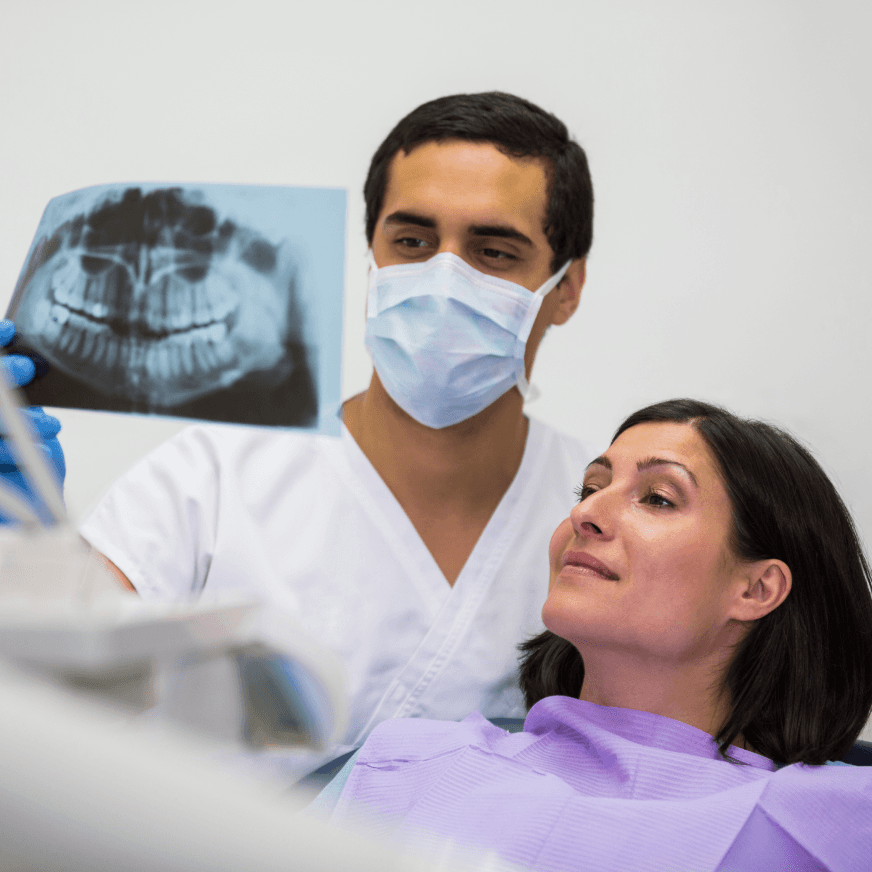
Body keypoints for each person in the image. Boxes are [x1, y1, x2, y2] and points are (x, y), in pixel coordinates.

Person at [1, 92, 595, 774]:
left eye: (493, 252)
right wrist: (25, 556)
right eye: (412, 242)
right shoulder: (211, 478)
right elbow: (44, 703)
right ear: (372, 256)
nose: (442, 278)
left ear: (566, 287)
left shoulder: (600, 518)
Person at [320, 399, 872, 871]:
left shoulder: (832, 821)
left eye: (658, 497)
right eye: (589, 486)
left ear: (756, 590)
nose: (587, 512)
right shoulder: (401, 764)